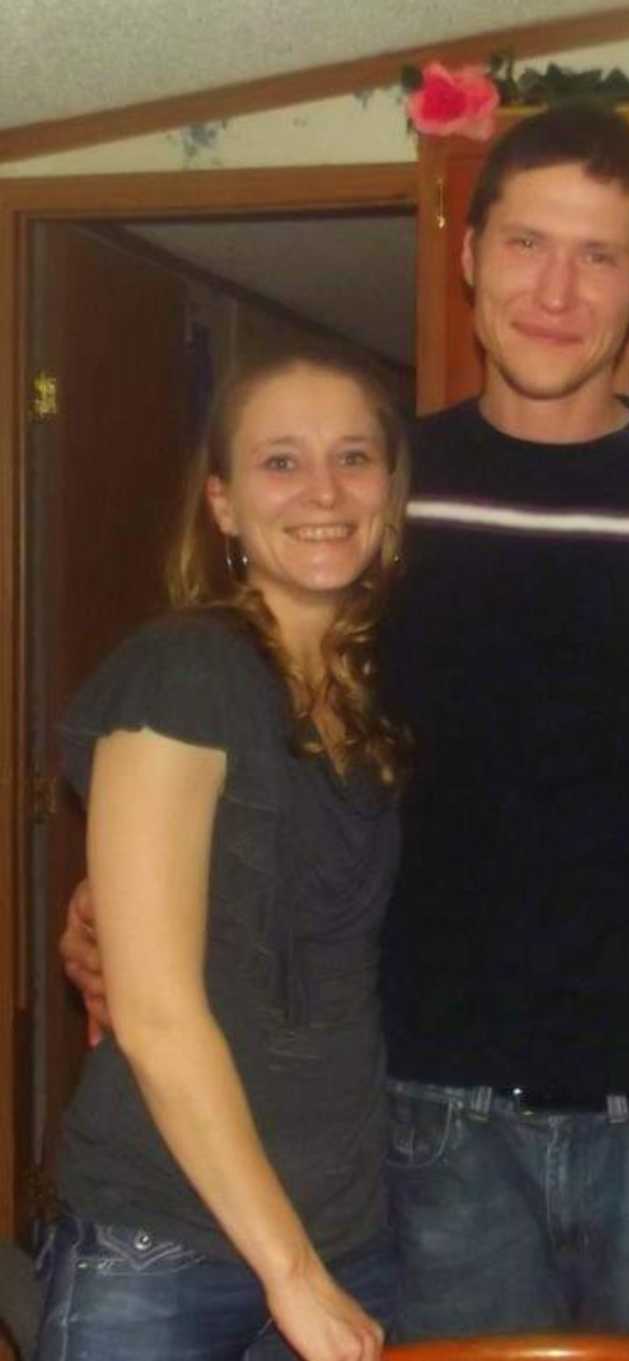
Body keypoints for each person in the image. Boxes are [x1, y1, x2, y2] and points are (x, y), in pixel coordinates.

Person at [62, 104, 629, 1358]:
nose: (557, 289)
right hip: (432, 1127)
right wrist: (113, 894)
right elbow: (258, 740)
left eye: (598, 256)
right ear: (469, 255)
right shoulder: (378, 499)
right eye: (527, 244)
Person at [39, 340, 410, 1361]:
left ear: (390, 488)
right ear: (224, 504)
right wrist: (292, 1274)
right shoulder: (184, 668)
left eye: (353, 457)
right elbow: (155, 1012)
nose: (323, 490)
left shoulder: (379, 696)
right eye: (280, 462)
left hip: (349, 1228)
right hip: (165, 1245)